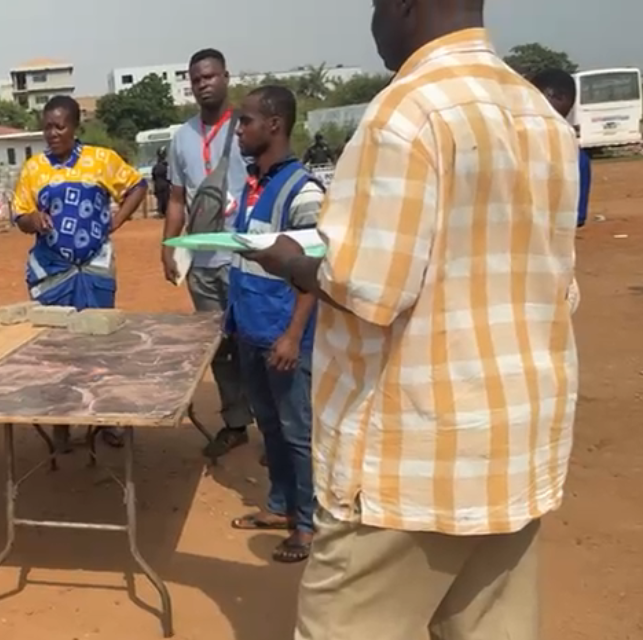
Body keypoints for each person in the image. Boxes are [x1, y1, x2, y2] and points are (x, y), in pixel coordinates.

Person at [247, 2, 579, 638]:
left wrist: (291, 262)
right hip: (514, 441)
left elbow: (369, 287)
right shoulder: (539, 114)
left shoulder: (406, 111)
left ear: (404, 5)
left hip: (410, 461)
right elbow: (553, 281)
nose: (374, 21)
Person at [12, 95, 148, 452]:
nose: (53, 133)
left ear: (75, 127)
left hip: (95, 268)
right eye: (47, 127)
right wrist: (33, 220)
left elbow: (137, 186)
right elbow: (20, 215)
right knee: (55, 348)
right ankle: (61, 422)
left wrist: (117, 220)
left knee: (100, 342)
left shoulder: (101, 160)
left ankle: (107, 418)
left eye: (60, 126)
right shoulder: (33, 168)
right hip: (51, 271)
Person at [225, 85, 324, 563]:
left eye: (245, 121)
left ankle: (307, 524)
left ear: (275, 125)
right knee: (270, 425)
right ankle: (281, 505)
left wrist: (292, 334)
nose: (238, 130)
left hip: (285, 336)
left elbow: (314, 270)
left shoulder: (304, 191)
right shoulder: (251, 185)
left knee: (296, 431)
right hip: (251, 327)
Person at [161, 48, 254, 459]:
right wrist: (169, 246)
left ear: (226, 77)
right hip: (201, 260)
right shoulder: (182, 137)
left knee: (258, 341)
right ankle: (236, 423)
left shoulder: (246, 126)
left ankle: (276, 430)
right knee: (219, 346)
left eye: (210, 76)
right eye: (196, 79)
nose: (203, 84)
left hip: (245, 257)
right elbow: (176, 198)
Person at [532, 68, 592, 228]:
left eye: (535, 98)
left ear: (560, 97)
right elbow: (576, 218)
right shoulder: (577, 156)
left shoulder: (576, 157)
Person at [151, 147, 171, 218]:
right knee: (164, 198)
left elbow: (153, 177)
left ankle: (161, 212)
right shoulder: (166, 166)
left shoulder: (156, 166)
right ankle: (163, 212)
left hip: (159, 184)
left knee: (161, 199)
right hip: (164, 184)